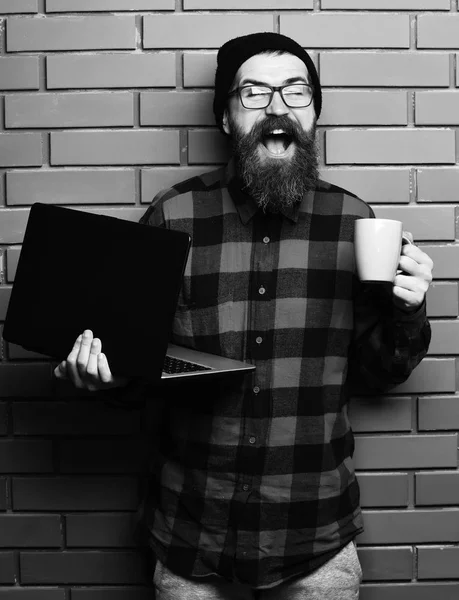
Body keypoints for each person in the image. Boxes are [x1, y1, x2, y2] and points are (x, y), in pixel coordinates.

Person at [55, 32, 433, 599]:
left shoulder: (355, 221)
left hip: (316, 540)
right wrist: (102, 376)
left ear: (313, 115)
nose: (277, 108)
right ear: (227, 118)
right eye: (253, 92)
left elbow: (378, 372)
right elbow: (139, 372)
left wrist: (407, 310)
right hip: (190, 537)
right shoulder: (171, 215)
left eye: (296, 92)